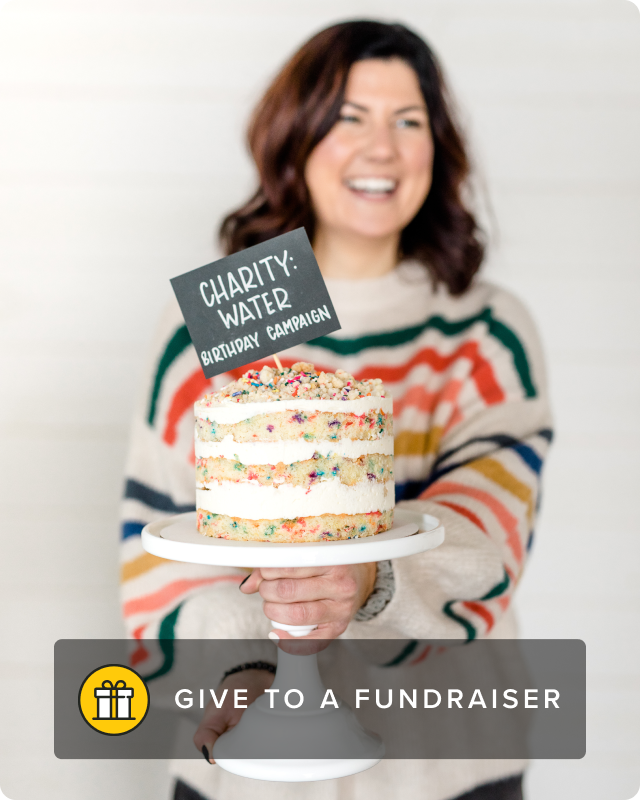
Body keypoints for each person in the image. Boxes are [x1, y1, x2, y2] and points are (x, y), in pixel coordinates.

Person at [120, 20, 552, 800]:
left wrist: (370, 579)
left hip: (446, 760)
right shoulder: (218, 319)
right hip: (254, 772)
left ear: (439, 148)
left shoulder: (486, 330)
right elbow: (153, 542)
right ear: (296, 137)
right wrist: (245, 663)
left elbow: (493, 527)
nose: (380, 148)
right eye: (349, 117)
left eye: (408, 121)